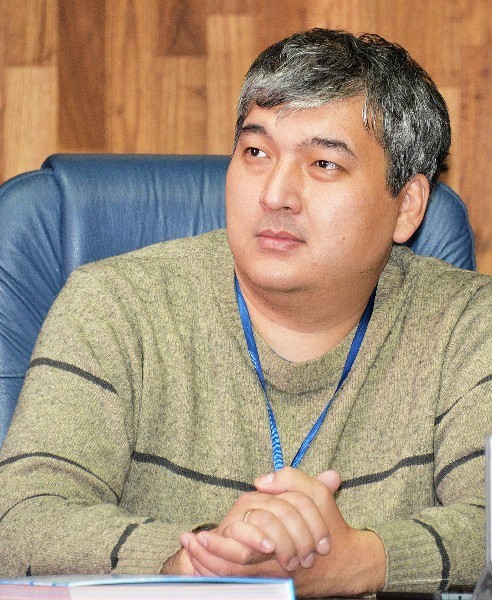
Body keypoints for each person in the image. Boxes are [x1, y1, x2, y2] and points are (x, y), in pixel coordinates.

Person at [0, 28, 490, 598]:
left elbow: (486, 521)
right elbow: (21, 520)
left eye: (324, 163)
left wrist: (358, 561)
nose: (275, 194)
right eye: (256, 152)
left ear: (407, 206)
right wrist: (200, 562)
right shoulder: (113, 305)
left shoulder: (469, 325)